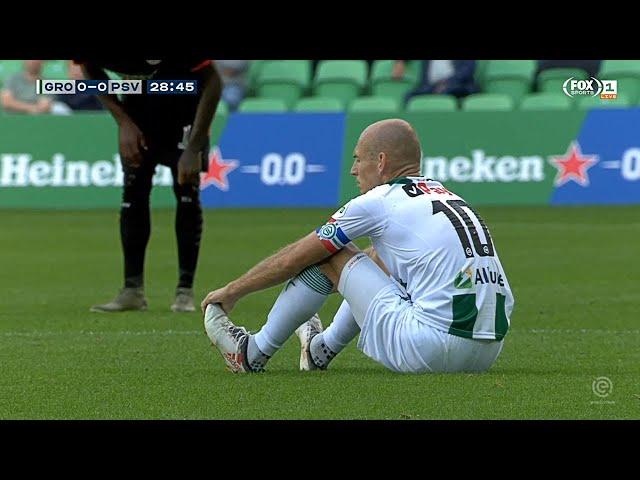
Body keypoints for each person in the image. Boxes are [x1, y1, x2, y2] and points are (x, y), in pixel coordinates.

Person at [201, 118, 514, 374]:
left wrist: (233, 290)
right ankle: (319, 350)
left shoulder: (379, 201)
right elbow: (374, 264)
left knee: (330, 252)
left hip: (431, 349)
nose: (353, 170)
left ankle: (252, 353)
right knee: (377, 257)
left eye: (357, 159)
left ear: (380, 162)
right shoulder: (448, 196)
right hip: (487, 353)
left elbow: (293, 259)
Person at [81, 60, 222, 313]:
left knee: (187, 193)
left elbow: (213, 82)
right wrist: (123, 122)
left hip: (185, 120)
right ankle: (132, 290)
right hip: (138, 118)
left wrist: (193, 146)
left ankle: (184, 292)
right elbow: (90, 69)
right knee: (133, 195)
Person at [0, 60, 70, 114]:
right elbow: (7, 102)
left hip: (39, 121)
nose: (33, 61)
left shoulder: (48, 83)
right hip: (13, 120)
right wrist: (31, 108)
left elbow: (44, 106)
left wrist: (17, 105)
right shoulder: (12, 79)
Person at [397, 60, 478, 103]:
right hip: (431, 87)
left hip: (456, 86)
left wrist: (447, 83)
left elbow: (466, 71)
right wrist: (400, 61)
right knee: (409, 96)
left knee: (449, 91)